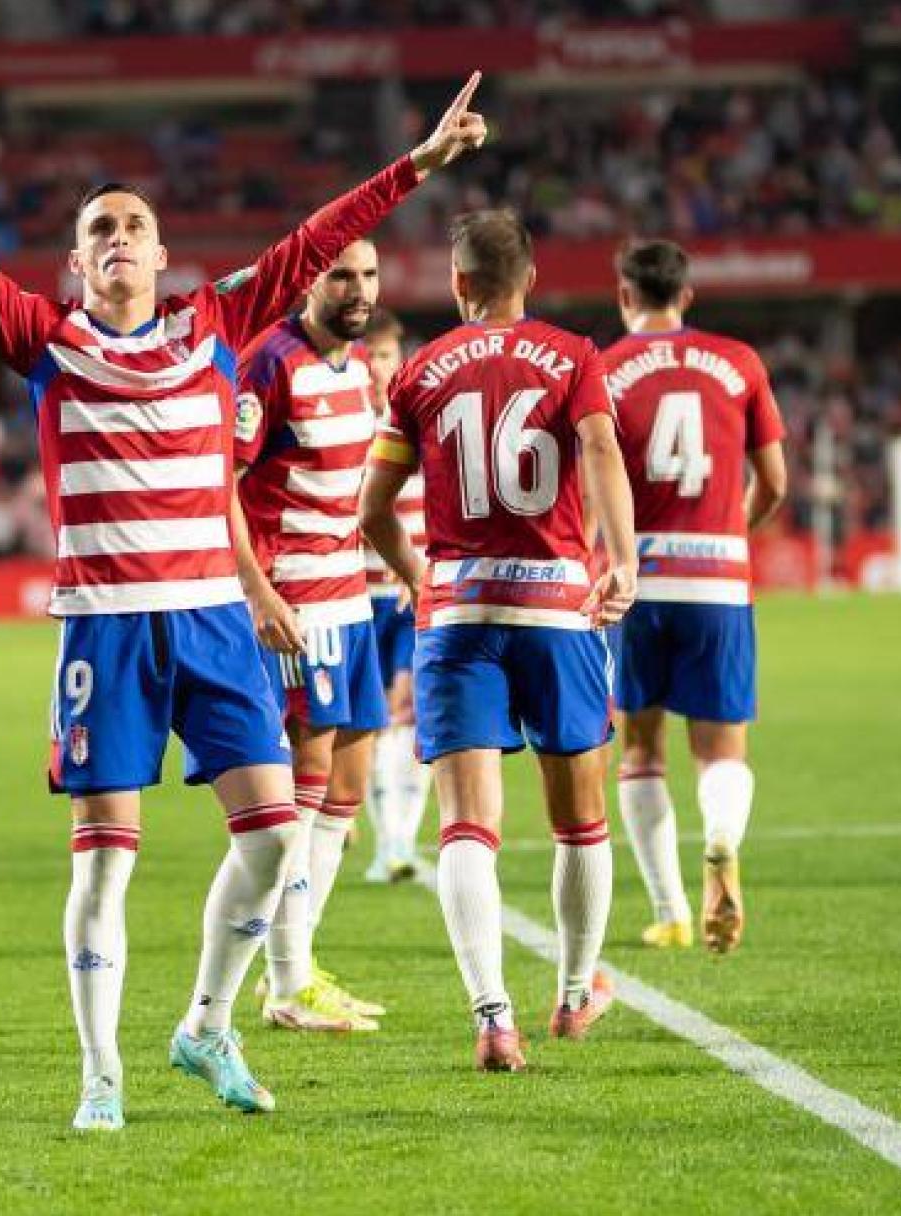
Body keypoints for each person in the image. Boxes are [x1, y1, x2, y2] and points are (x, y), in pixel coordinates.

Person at [0, 73, 486, 1128]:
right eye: (98, 228)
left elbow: (314, 237)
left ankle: (206, 1023)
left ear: (163, 256)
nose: (118, 237)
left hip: (212, 621)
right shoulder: (45, 338)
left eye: (134, 225)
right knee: (107, 865)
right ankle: (99, 1075)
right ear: (77, 262)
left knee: (272, 838)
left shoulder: (213, 324)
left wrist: (419, 166)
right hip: (105, 634)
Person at [360, 210, 638, 1073]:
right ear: (532, 279)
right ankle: (573, 992)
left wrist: (414, 575)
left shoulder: (419, 370)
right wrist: (620, 559)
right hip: (556, 611)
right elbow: (599, 448)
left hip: (456, 615)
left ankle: (491, 1018)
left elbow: (372, 512)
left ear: (458, 285)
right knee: (579, 821)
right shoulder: (575, 357)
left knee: (466, 827)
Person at [598, 238, 787, 955]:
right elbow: (775, 482)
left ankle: (671, 909)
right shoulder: (739, 362)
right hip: (719, 578)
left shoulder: (608, 369)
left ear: (624, 295)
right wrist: (732, 530)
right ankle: (719, 842)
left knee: (641, 748)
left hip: (638, 577)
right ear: (689, 296)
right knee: (721, 749)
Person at [233, 240, 391, 1033]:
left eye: (368, 274)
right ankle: (288, 979)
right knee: (307, 776)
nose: (358, 289)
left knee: (350, 786)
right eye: (342, 275)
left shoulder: (360, 367)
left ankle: (295, 970)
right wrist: (258, 591)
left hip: (352, 598)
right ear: (308, 282)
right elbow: (220, 482)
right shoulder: (269, 362)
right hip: (297, 599)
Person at [357, 308, 431, 884]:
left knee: (408, 710)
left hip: (408, 593)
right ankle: (385, 838)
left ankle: (399, 843)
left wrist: (420, 569)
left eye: (385, 356)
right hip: (355, 596)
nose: (377, 367)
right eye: (368, 356)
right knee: (370, 723)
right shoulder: (341, 421)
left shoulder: (419, 417)